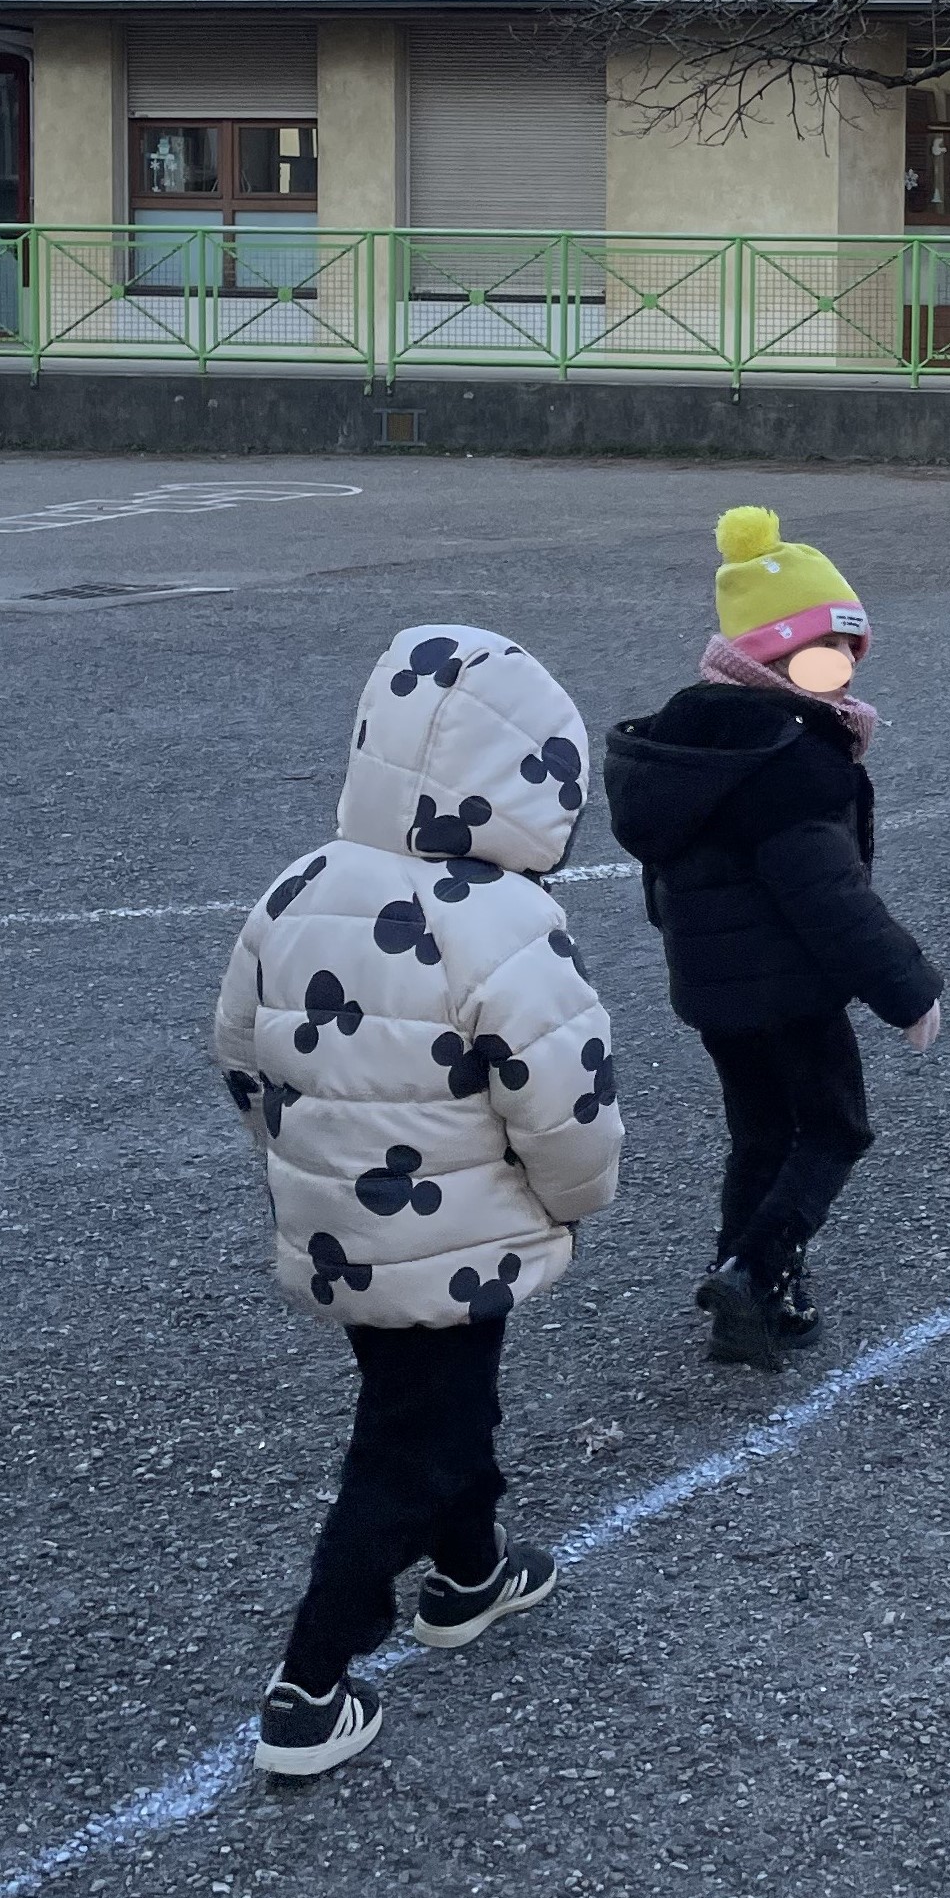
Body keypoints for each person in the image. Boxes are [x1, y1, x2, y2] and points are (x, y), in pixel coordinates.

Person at [217, 625, 624, 1779]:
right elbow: (562, 1096)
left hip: (347, 1225)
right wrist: (573, 1201)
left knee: (434, 1400)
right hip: (461, 1231)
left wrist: (301, 1157)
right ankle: (310, 1679)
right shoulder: (503, 920)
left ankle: (469, 1571)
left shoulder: (297, 884)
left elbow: (238, 1049)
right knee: (410, 1437)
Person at [604, 510, 942, 1373]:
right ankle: (758, 1269)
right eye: (826, 657)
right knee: (834, 1127)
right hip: (789, 985)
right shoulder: (793, 762)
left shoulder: (688, 736)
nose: (843, 677)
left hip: (716, 987)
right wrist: (907, 989)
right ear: (774, 658)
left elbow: (663, 876)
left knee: (759, 1131)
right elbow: (830, 895)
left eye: (850, 657)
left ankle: (746, 1290)